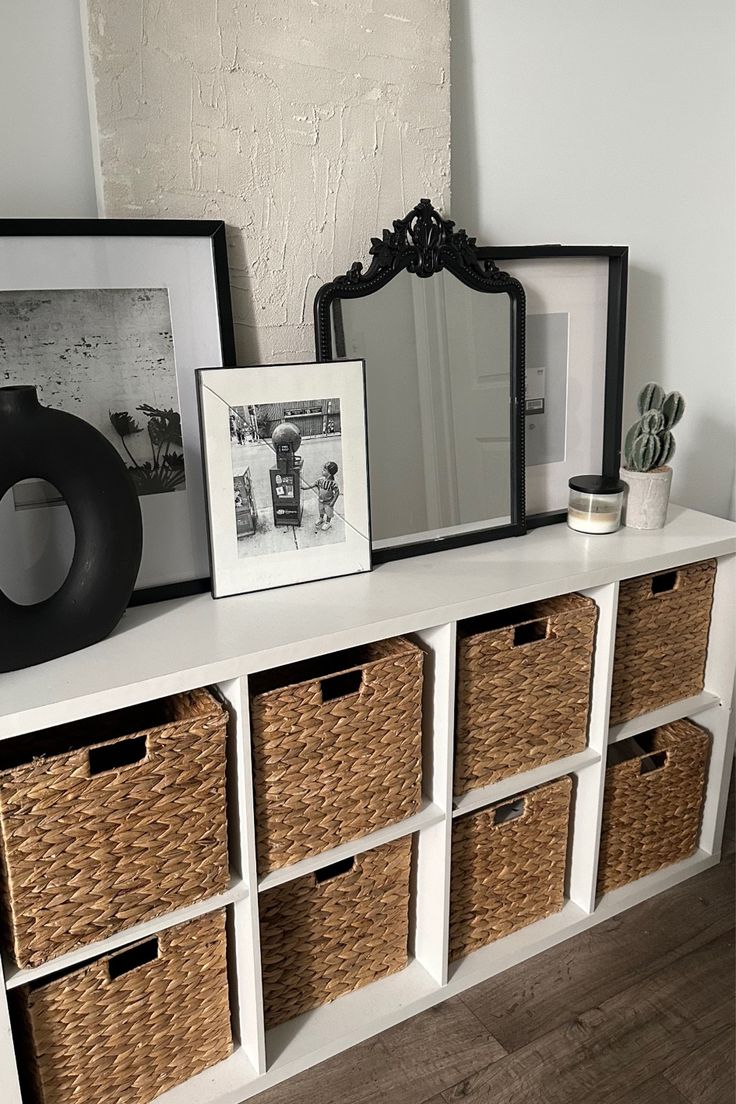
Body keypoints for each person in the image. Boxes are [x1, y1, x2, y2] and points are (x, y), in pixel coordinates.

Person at [314, 461, 339, 531]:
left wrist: (333, 502)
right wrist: (304, 488)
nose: (322, 471)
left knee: (328, 512)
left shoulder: (333, 483)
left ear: (329, 474)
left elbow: (337, 492)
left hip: (328, 502)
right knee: (321, 510)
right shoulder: (321, 480)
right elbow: (314, 484)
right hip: (321, 500)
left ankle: (328, 523)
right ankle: (321, 518)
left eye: (324, 470)